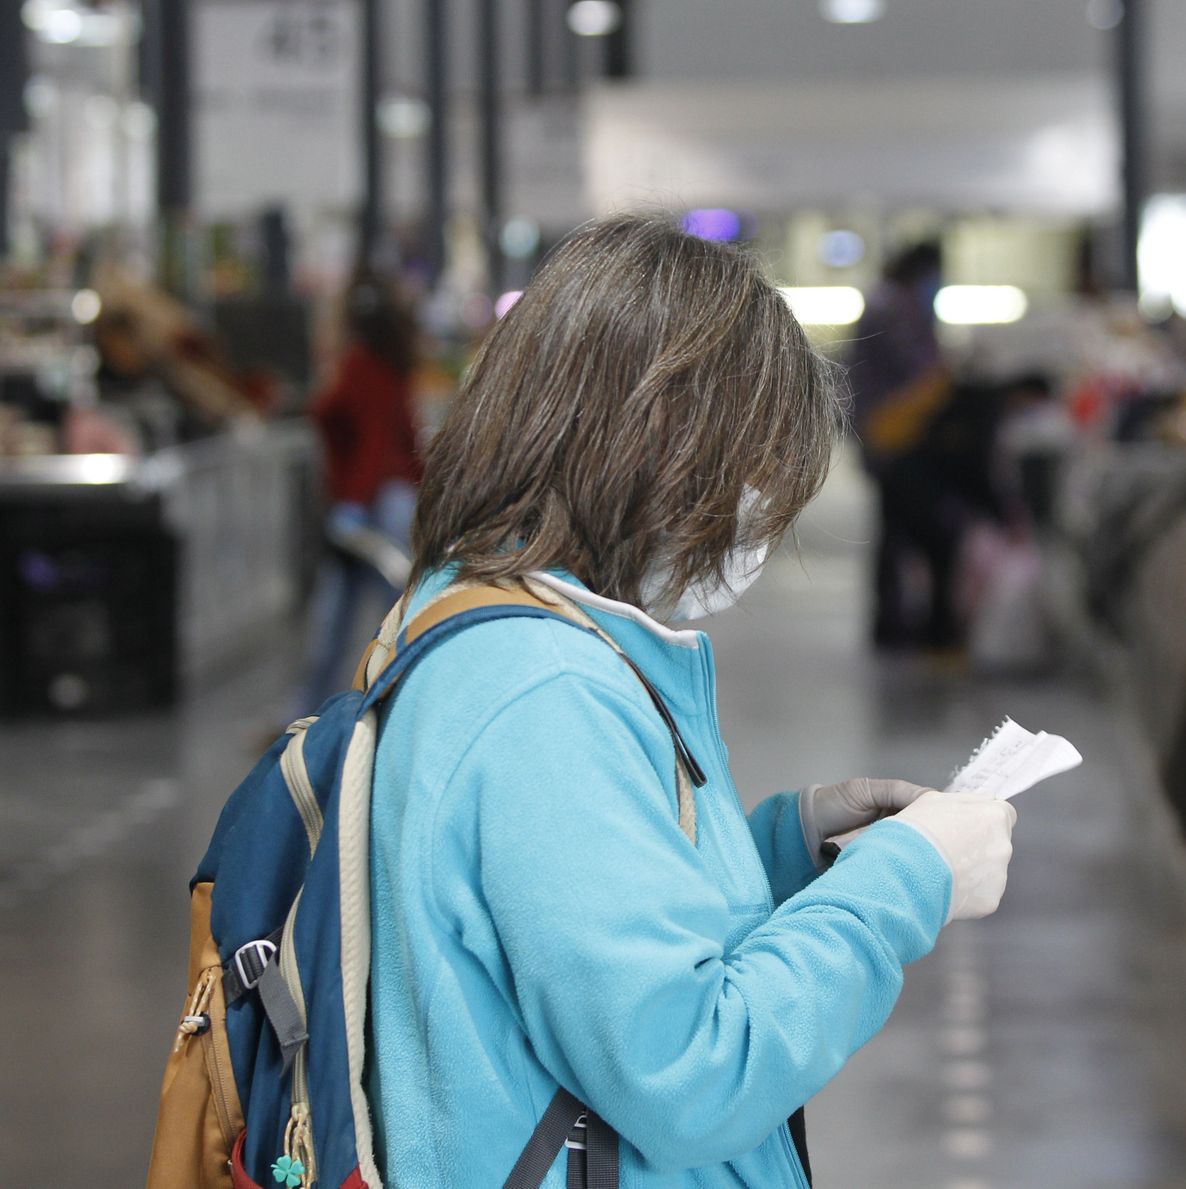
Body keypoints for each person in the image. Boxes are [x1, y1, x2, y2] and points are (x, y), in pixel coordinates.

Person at [368, 215, 1018, 1186]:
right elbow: (689, 1070)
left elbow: (578, 926)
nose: (755, 511)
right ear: (652, 444)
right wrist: (906, 883)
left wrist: (792, 847)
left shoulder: (484, 628)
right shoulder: (539, 696)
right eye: (747, 470)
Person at [298, 273, 421, 708]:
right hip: (393, 501)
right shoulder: (394, 368)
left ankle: (304, 717)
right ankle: (407, 704)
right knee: (403, 615)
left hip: (363, 506)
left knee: (335, 621)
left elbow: (338, 424)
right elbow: (404, 438)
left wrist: (350, 503)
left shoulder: (356, 367)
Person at [847, 241, 961, 649]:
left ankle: (890, 622)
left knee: (892, 533)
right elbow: (922, 371)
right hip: (898, 436)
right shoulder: (897, 308)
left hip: (884, 434)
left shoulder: (883, 301)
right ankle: (901, 625)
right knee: (910, 534)